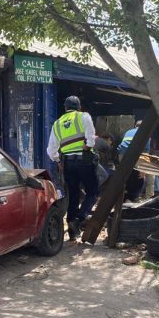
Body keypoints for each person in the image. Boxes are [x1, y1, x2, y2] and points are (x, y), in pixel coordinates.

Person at [47, 95, 98, 240]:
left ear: (65, 108)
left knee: (73, 195)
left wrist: (58, 160)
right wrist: (88, 146)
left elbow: (51, 150)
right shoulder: (84, 116)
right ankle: (78, 219)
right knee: (93, 192)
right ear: (79, 107)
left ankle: (72, 232)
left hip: (67, 163)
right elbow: (91, 138)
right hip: (85, 160)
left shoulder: (57, 123)